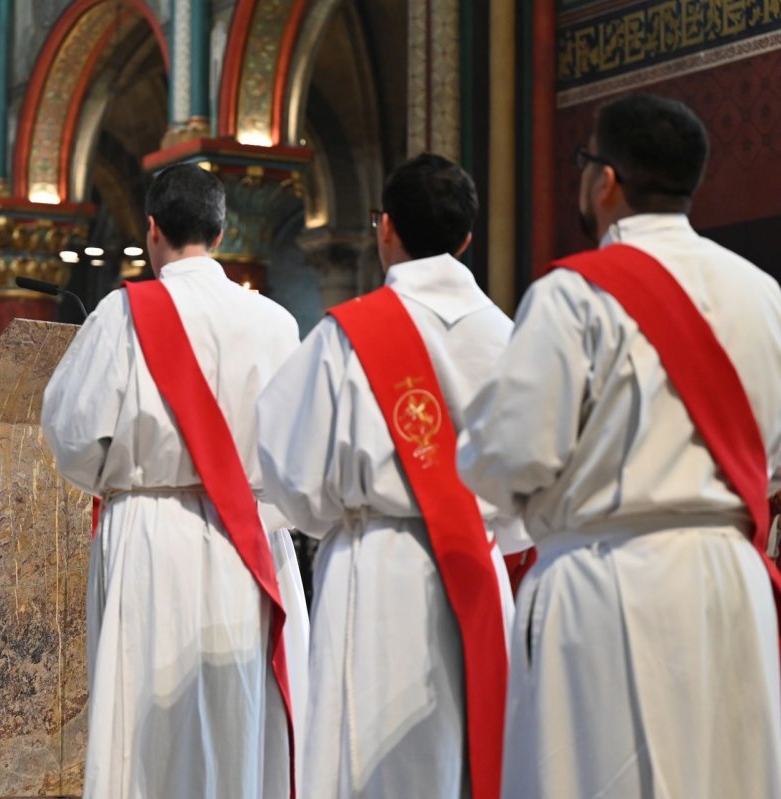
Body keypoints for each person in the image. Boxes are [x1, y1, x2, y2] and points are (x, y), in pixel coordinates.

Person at [458, 92, 781, 797]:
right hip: (731, 580)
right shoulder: (763, 296)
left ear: (604, 180)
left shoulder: (574, 296)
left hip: (609, 584)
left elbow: (510, 453)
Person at [256, 153, 523, 798]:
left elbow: (288, 468)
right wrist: (496, 531)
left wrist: (340, 524)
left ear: (385, 228)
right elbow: (536, 473)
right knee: (474, 752)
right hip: (477, 564)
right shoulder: (511, 337)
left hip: (374, 567)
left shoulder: (345, 336)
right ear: (465, 239)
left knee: (366, 758)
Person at [42, 163, 306, 799]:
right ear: (220, 233)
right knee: (230, 709)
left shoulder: (121, 314)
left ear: (152, 229)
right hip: (247, 538)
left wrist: (122, 478)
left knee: (144, 727)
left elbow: (72, 434)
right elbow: (298, 454)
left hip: (148, 535)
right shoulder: (274, 323)